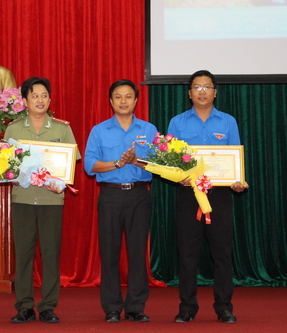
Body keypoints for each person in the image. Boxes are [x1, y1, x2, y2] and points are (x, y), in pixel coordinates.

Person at [168, 70, 249, 324]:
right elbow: (171, 161)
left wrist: (238, 180)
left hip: (220, 195)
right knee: (188, 254)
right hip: (188, 195)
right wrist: (177, 175)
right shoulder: (177, 123)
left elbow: (236, 159)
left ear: (215, 91)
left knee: (222, 253)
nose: (202, 91)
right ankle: (187, 307)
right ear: (189, 93)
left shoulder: (228, 122)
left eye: (207, 86)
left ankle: (224, 306)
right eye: (196, 87)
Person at [4, 77, 81, 324]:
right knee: (23, 254)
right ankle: (24, 306)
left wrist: (62, 182)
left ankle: (48, 306)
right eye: (35, 95)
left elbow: (70, 164)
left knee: (50, 253)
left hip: (51, 199)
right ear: (25, 101)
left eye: (44, 95)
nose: (40, 100)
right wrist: (12, 174)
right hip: (23, 199)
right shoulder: (14, 129)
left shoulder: (62, 129)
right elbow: (5, 164)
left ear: (50, 99)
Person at [84, 79, 158, 323]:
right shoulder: (99, 130)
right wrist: (118, 162)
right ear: (111, 101)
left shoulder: (149, 130)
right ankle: (112, 307)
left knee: (138, 253)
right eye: (118, 97)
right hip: (111, 195)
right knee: (110, 252)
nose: (123, 101)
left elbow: (160, 165)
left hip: (139, 195)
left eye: (128, 96)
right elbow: (89, 166)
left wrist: (136, 161)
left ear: (136, 100)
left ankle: (136, 306)